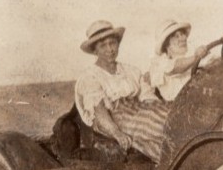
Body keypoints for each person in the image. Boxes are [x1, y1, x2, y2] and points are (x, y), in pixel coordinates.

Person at [74, 20, 170, 162]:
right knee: (160, 128)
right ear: (95, 51)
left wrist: (155, 108)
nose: (110, 49)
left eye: (112, 43)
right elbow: (99, 111)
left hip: (139, 110)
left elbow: (147, 96)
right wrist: (117, 133)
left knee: (170, 114)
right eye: (103, 45)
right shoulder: (90, 77)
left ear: (118, 44)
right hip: (114, 118)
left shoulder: (131, 71)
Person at [148, 20, 210, 102]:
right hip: (180, 105)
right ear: (166, 44)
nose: (183, 38)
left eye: (182, 34)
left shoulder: (189, 55)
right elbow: (176, 67)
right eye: (176, 36)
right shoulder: (159, 62)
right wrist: (197, 56)